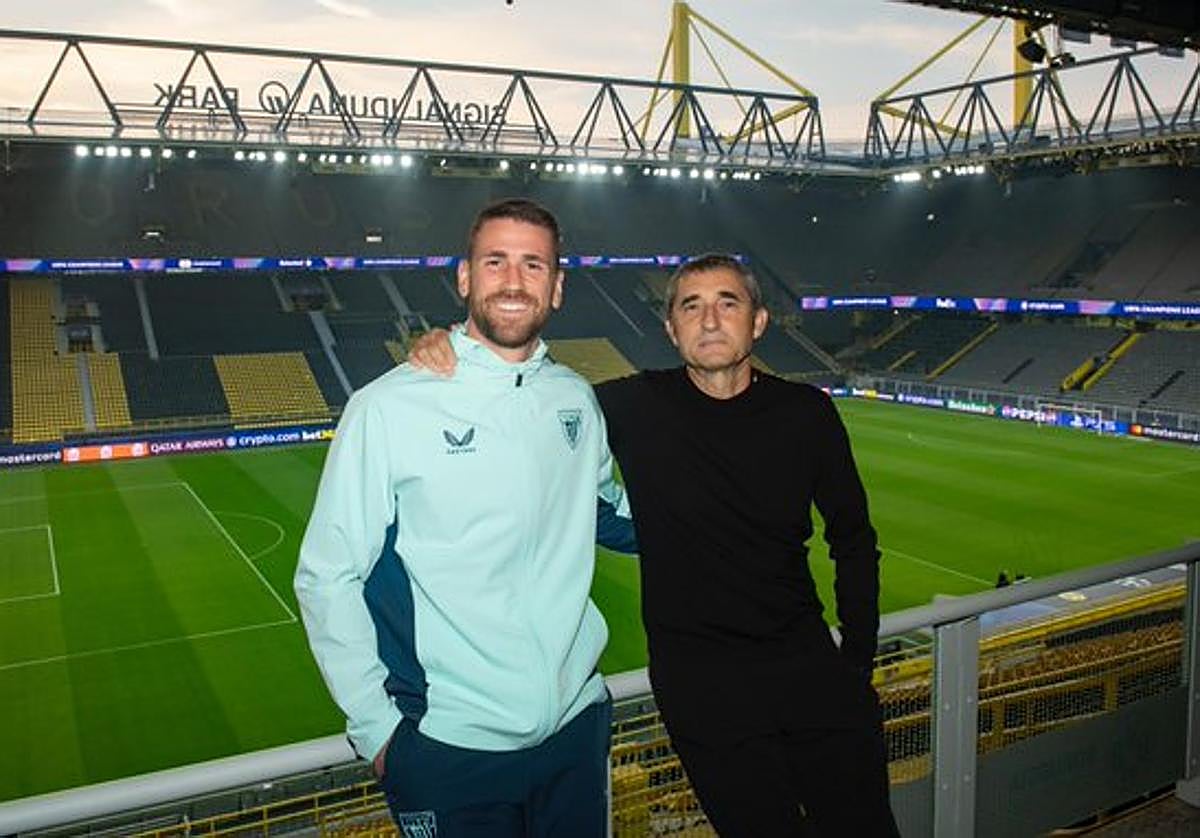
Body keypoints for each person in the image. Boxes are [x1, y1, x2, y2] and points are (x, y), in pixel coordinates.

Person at [410, 253, 898, 836]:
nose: (710, 320)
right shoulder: (632, 406)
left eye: (728, 303)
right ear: (671, 329)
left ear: (759, 321)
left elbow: (854, 540)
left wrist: (856, 666)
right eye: (691, 306)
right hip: (703, 690)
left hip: (811, 673)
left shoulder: (807, 413)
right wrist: (451, 346)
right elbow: (528, 396)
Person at [294, 198, 632, 838]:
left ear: (557, 287)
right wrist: (381, 733)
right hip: (449, 750)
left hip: (575, 734)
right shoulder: (388, 408)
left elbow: (605, 511)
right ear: (464, 277)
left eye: (533, 264)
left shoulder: (574, 400)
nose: (512, 281)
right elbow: (326, 576)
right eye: (495, 261)